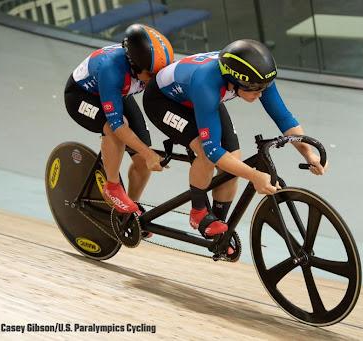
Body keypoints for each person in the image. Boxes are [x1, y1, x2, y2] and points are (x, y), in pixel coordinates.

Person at [142, 39, 327, 239]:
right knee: (206, 153)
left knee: (233, 160)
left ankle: (218, 224)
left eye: (263, 88)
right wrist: (255, 176)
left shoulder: (257, 78)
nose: (260, 93)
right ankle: (199, 212)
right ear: (234, 80)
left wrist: (308, 153)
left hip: (199, 98)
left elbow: (283, 118)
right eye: (254, 89)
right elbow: (212, 150)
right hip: (163, 101)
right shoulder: (207, 83)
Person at [64, 24, 174, 214]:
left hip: (117, 94)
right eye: (151, 74)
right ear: (134, 65)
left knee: (141, 158)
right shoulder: (111, 69)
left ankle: (129, 212)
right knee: (115, 130)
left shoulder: (145, 67)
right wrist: (149, 154)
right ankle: (112, 186)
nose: (155, 79)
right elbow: (117, 126)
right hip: (80, 96)